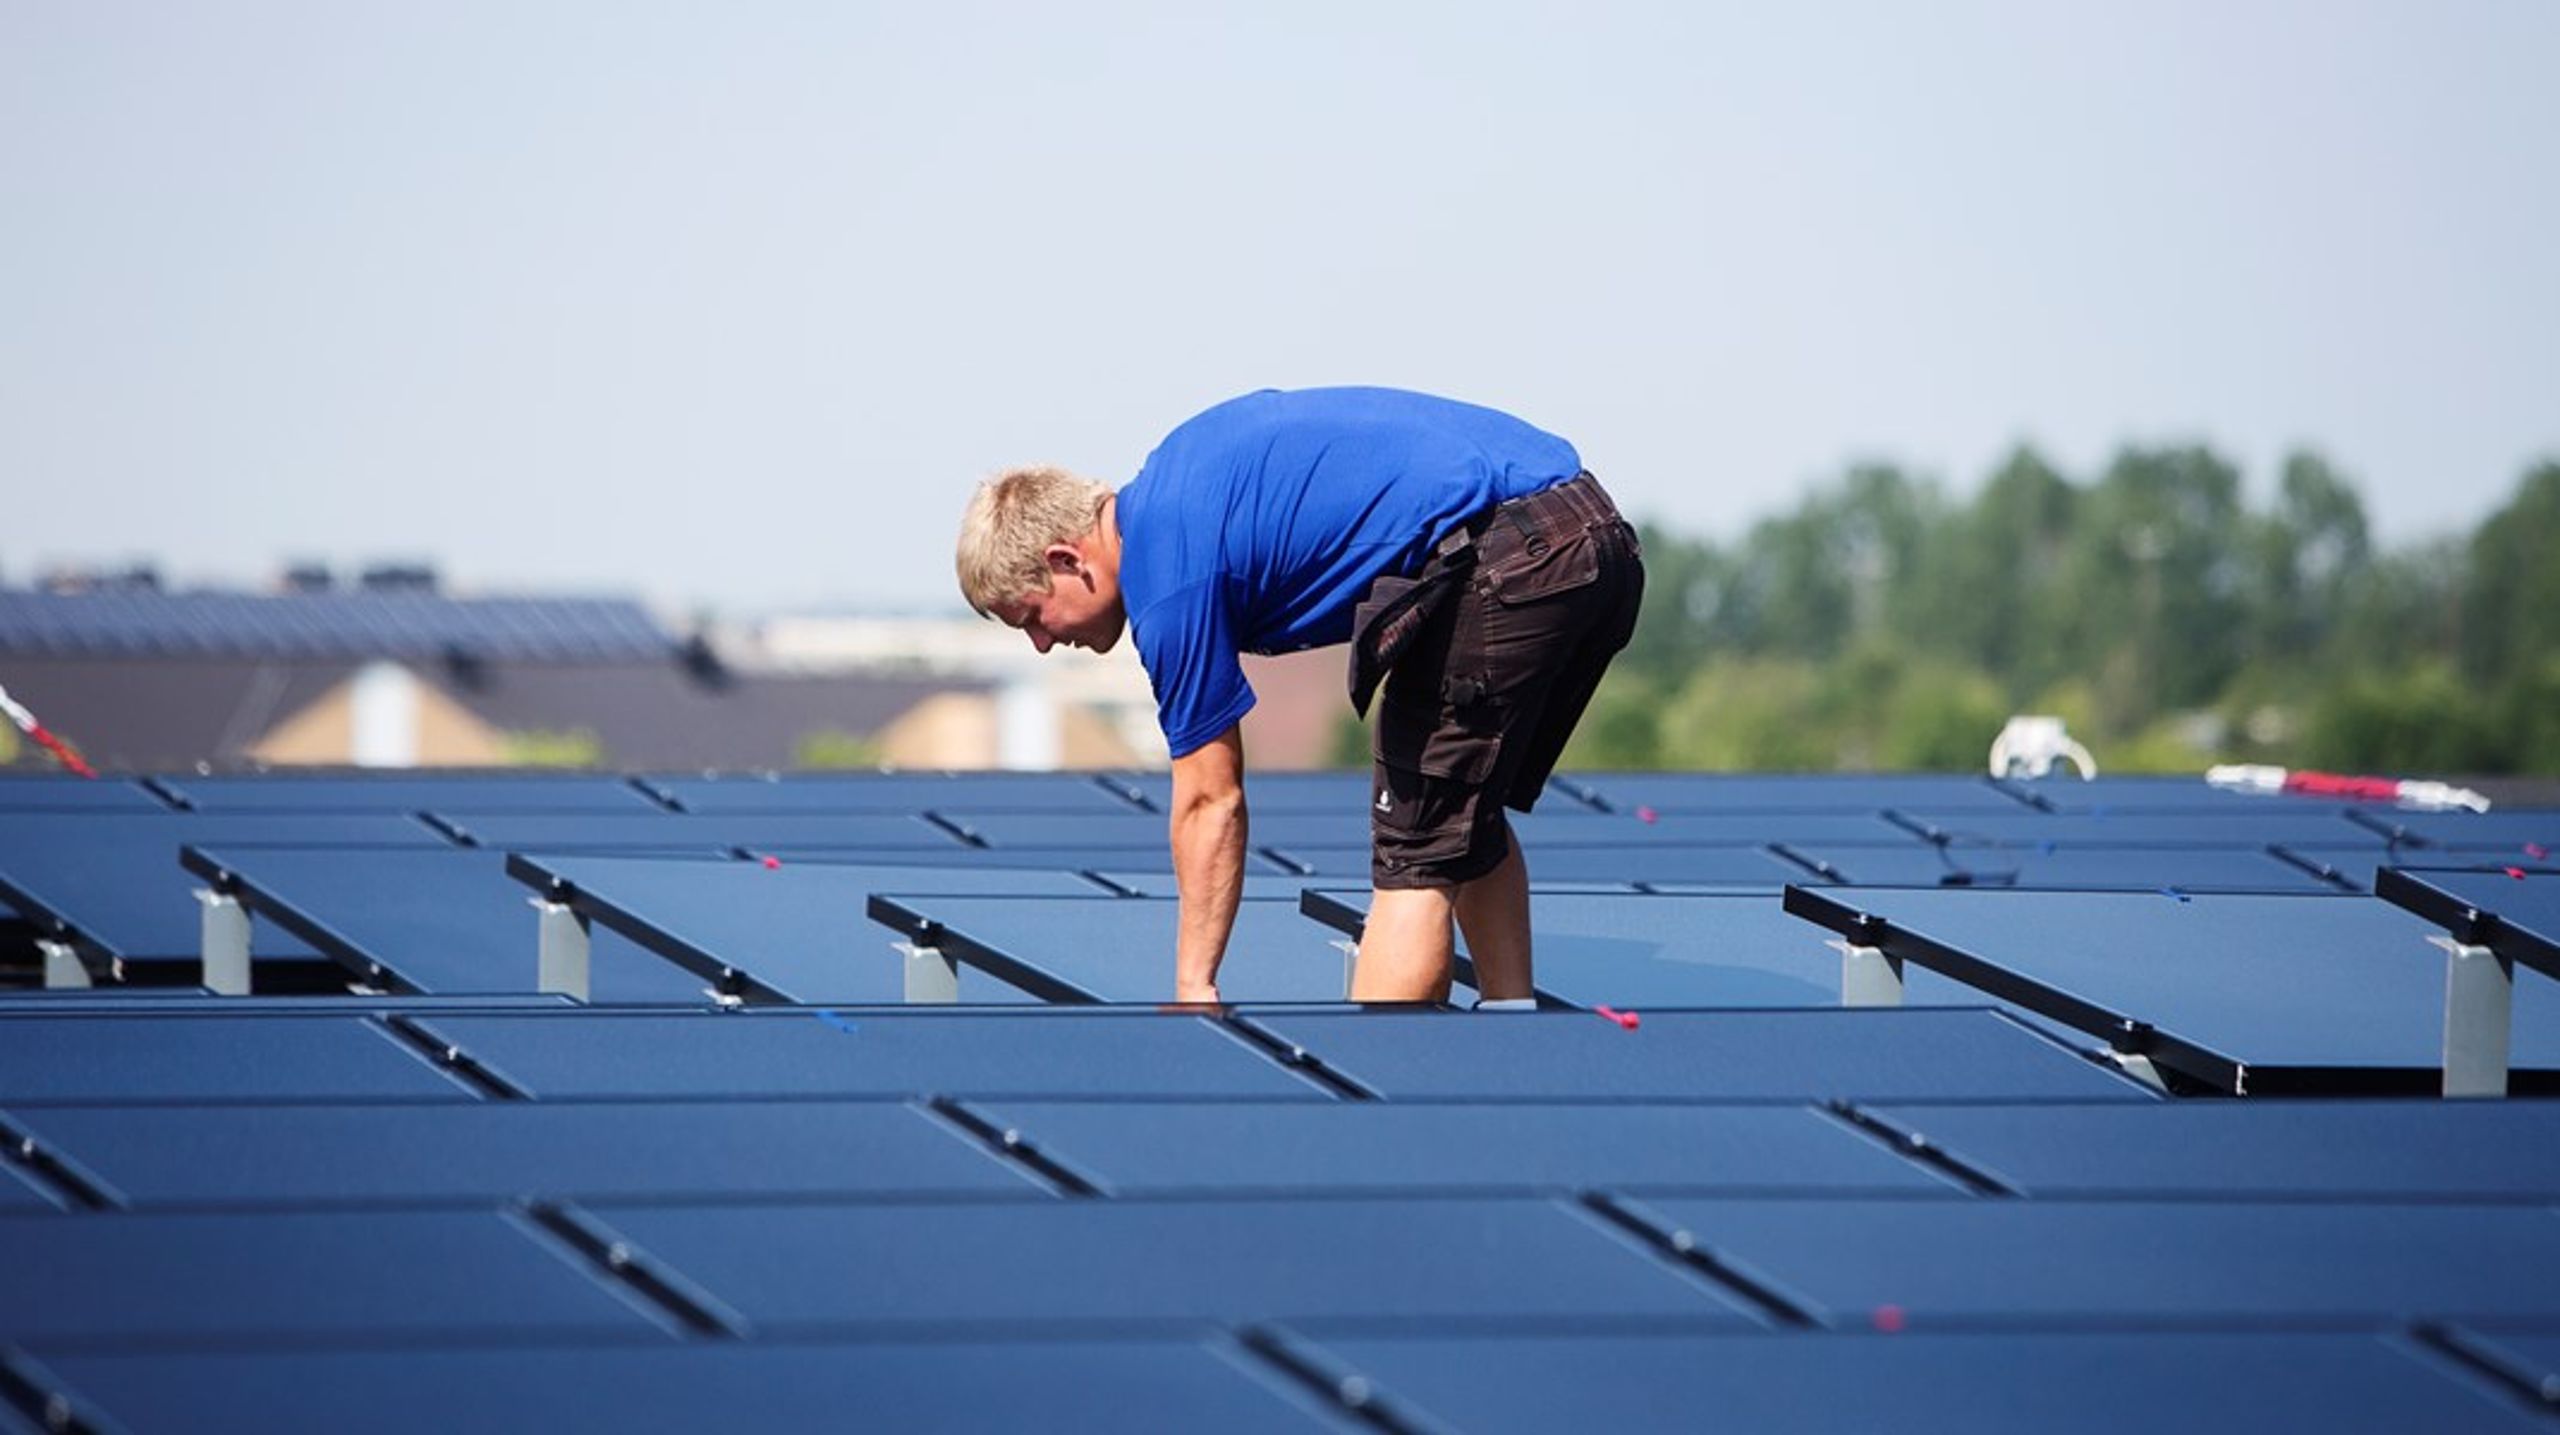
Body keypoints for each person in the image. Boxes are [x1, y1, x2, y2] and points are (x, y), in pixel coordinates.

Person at [955, 386, 1642, 1005]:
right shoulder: (1176, 478)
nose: (1041, 644)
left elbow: (1210, 800)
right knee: (1461, 812)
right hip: (1590, 529)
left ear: (1066, 561)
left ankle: (1389, 1097)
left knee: (1415, 853)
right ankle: (1512, 1026)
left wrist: (1195, 985)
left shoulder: (1167, 577)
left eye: (1031, 618)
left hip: (1514, 551)